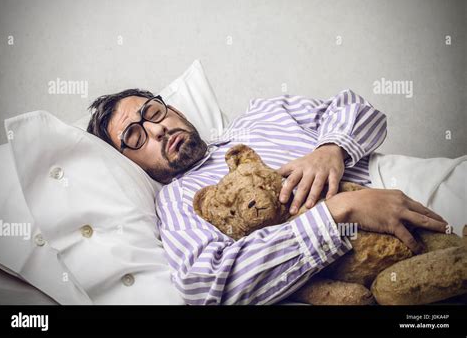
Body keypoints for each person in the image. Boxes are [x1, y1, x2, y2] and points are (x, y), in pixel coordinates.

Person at [87, 88, 448, 304]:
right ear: (130, 163)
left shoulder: (264, 113)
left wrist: (332, 147)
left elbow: (356, 107)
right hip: (373, 268)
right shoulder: (178, 203)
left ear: (174, 109)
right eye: (135, 137)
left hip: (424, 183)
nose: (158, 130)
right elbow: (208, 285)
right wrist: (338, 212)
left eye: (152, 112)